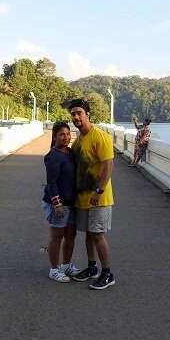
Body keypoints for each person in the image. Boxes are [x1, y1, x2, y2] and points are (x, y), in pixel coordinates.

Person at [68, 98, 116, 290]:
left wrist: (99, 190)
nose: (76, 117)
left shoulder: (100, 136)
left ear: (88, 114)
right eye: (73, 114)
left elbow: (108, 165)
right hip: (83, 198)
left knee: (97, 235)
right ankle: (91, 267)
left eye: (79, 113)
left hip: (99, 197)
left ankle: (107, 273)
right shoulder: (78, 141)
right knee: (88, 235)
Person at [42, 121, 78, 282]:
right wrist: (57, 204)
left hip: (71, 202)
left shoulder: (70, 153)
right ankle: (54, 269)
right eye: (62, 134)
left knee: (71, 235)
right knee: (57, 237)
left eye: (68, 133)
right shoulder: (53, 157)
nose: (66, 137)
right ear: (55, 136)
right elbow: (51, 183)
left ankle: (66, 265)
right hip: (58, 204)